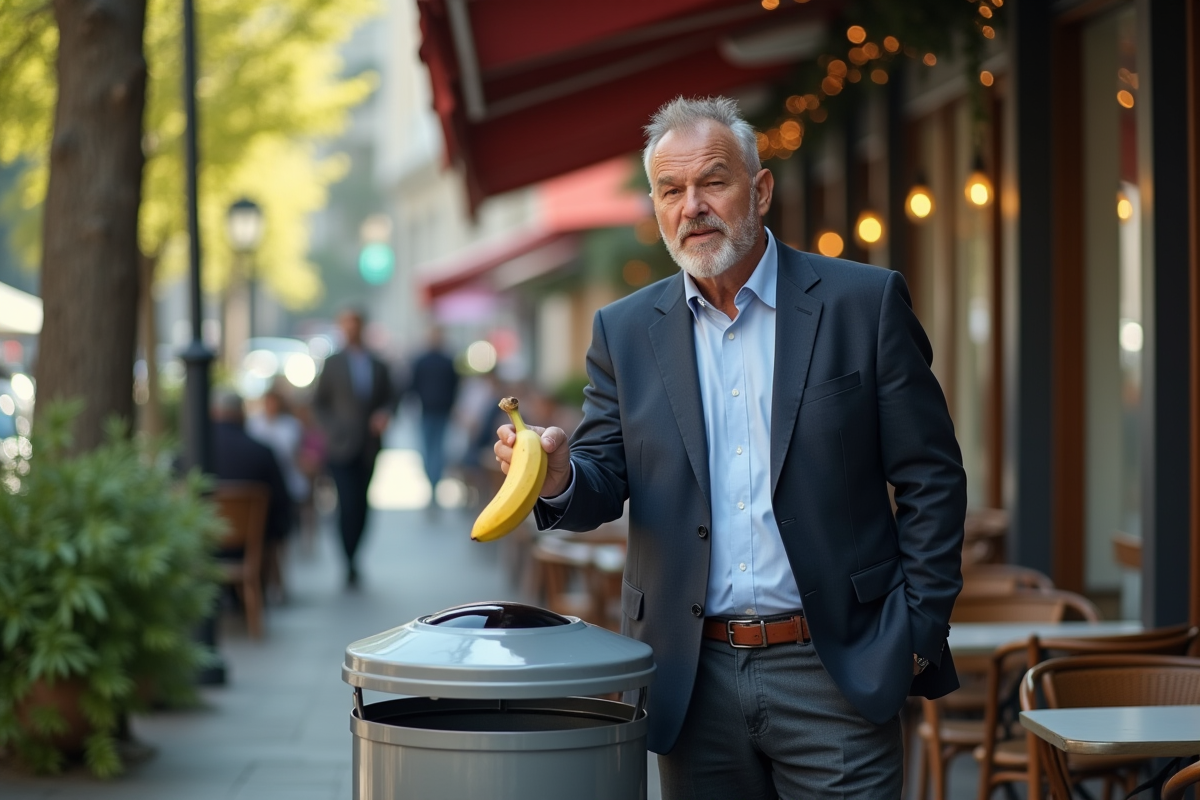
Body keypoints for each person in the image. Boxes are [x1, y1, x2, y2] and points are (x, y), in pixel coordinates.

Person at [494, 97, 967, 798]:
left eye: (713, 181)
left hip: (836, 668)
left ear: (761, 189)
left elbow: (932, 477)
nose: (693, 206)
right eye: (671, 190)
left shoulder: (861, 304)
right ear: (655, 205)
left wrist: (915, 634)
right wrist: (560, 473)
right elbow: (602, 481)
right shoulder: (624, 331)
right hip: (693, 676)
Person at [313, 308, 395, 588]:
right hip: (340, 446)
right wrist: (332, 428)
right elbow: (318, 403)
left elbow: (391, 397)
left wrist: (385, 414)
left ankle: (356, 555)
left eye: (355, 325)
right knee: (346, 503)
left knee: (362, 504)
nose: (351, 331)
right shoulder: (332, 363)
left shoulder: (378, 363)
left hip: (369, 446)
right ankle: (347, 560)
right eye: (346, 326)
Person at [211, 390, 292, 550]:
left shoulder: (188, 453)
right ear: (241, 413)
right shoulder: (262, 452)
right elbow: (282, 504)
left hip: (204, 549)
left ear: (213, 413)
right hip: (252, 550)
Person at [407, 327, 459, 508]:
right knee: (434, 449)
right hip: (432, 411)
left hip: (435, 411)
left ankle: (433, 482)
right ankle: (433, 482)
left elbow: (412, 386)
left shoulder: (427, 361)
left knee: (431, 450)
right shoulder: (443, 361)